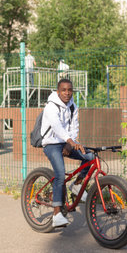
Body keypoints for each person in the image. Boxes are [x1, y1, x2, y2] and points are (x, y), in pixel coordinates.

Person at [41, 78, 93, 227]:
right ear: (58, 92)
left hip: (66, 142)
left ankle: (77, 185)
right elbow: (56, 126)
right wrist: (70, 141)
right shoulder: (51, 107)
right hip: (51, 143)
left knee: (89, 156)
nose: (67, 93)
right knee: (60, 173)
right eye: (64, 90)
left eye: (70, 90)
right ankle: (57, 213)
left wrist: (71, 144)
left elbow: (74, 126)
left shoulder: (72, 106)